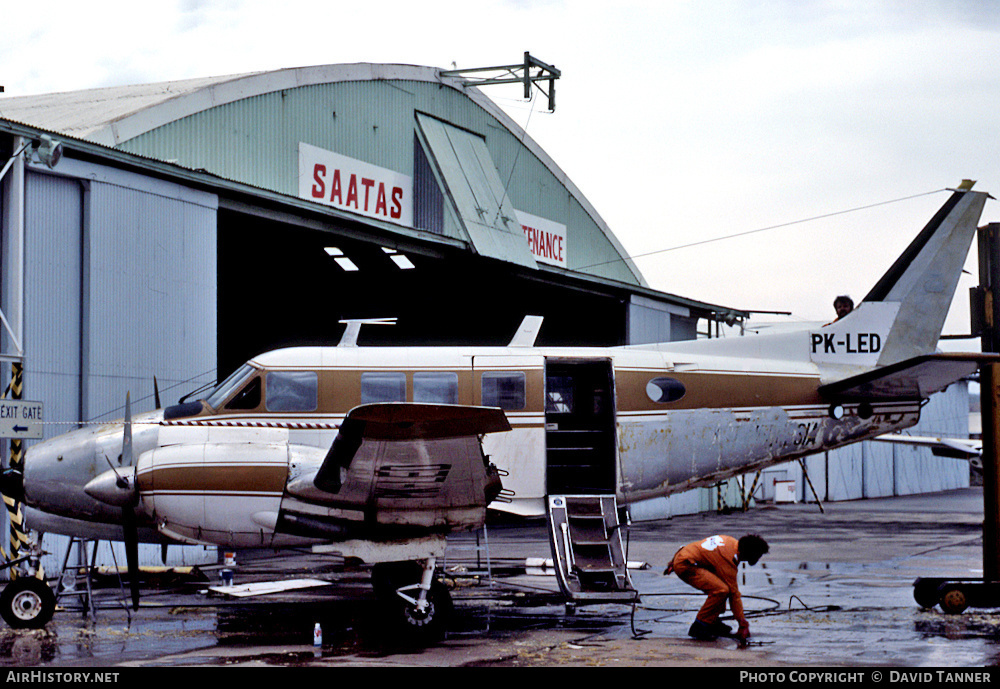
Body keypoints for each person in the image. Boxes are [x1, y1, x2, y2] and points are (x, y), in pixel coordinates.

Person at [664, 534, 769, 642]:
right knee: (721, 590)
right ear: (750, 554)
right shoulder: (728, 558)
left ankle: (712, 621)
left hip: (686, 557)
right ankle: (700, 626)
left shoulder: (731, 542)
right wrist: (742, 622)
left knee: (722, 585)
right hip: (686, 565)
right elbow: (734, 594)